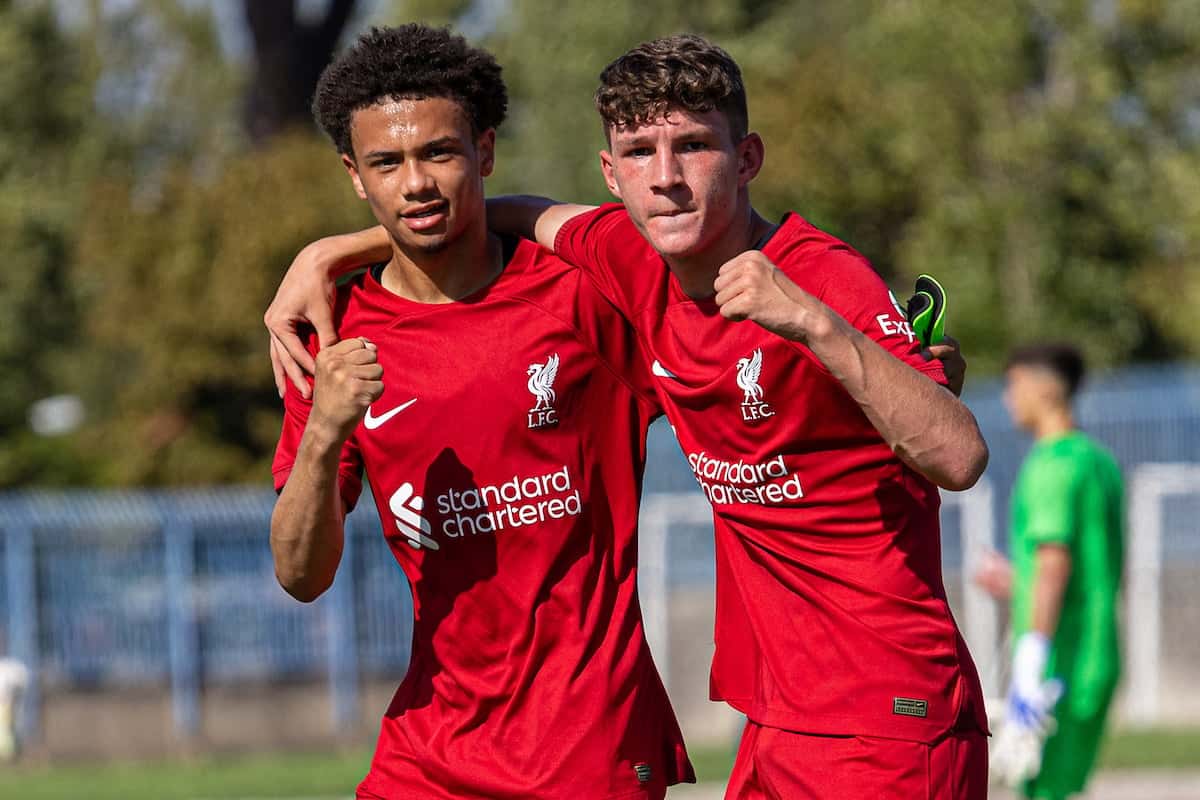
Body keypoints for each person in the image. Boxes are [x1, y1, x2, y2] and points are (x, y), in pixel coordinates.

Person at [268, 34, 991, 798]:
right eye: (641, 152)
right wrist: (329, 268)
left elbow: (955, 452)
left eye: (693, 147)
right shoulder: (348, 336)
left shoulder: (691, 284)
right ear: (612, 174)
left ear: (484, 153)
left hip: (788, 727)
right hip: (482, 748)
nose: (667, 178)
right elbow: (299, 574)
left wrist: (833, 333)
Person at [269, 25, 693, 799]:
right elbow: (300, 575)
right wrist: (325, 431)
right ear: (355, 176)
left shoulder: (583, 292)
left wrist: (891, 355)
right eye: (387, 164)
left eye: (439, 153)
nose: (415, 184)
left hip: (586, 750)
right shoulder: (332, 335)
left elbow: (735, 372)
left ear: (485, 152)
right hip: (426, 756)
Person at [976, 343, 1124, 800]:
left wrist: (1030, 661)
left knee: (1046, 793)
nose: (1008, 399)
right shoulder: (1097, 461)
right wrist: (1020, 584)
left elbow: (1054, 562)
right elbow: (1088, 569)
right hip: (1095, 654)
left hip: (1059, 663)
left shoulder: (1052, 465)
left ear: (1044, 389)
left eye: (1014, 385)